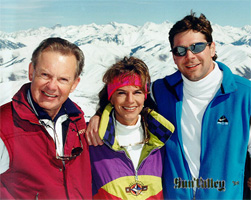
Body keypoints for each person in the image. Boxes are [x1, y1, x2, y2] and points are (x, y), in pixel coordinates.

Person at [86, 12, 251, 199]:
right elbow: (130, 103)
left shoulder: (245, 94)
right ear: (173, 57)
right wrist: (100, 115)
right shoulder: (162, 91)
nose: (189, 56)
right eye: (180, 50)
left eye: (197, 47)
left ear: (212, 48)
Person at [0, 37, 92, 199]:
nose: (51, 86)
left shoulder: (78, 123)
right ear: (31, 71)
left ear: (75, 84)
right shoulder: (4, 126)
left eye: (63, 79)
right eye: (45, 75)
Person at [89, 57, 175, 199]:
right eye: (121, 93)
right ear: (111, 98)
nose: (130, 100)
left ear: (145, 96)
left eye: (137, 92)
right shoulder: (94, 138)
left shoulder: (162, 139)